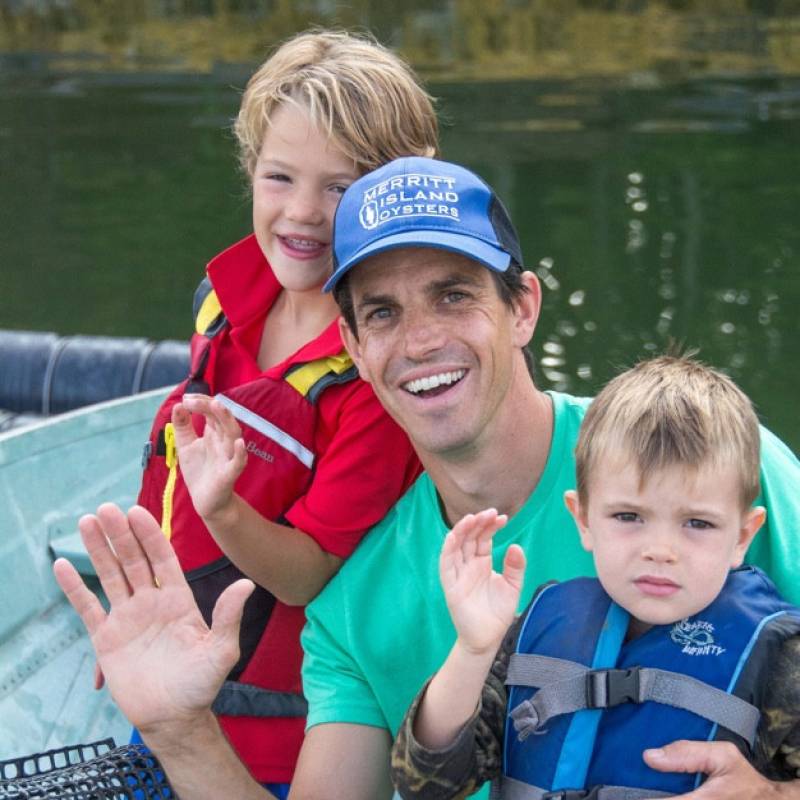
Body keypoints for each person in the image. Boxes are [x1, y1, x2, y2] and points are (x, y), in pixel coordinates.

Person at [54, 156, 800, 800]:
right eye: (381, 312)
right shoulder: (350, 605)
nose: (420, 340)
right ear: (350, 342)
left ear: (523, 308)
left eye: (453, 294)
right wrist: (178, 727)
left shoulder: (718, 471)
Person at [131, 30, 437, 794]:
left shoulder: (375, 376)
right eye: (279, 177)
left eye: (339, 188)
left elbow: (305, 577)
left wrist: (225, 509)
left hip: (275, 745)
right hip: (161, 681)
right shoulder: (225, 299)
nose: (301, 213)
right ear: (250, 172)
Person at [391, 355, 800, 799]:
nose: (660, 550)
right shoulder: (536, 631)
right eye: (629, 516)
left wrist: (771, 794)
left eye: (697, 523)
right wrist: (473, 649)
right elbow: (426, 783)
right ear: (583, 519)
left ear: (742, 536)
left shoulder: (781, 658)